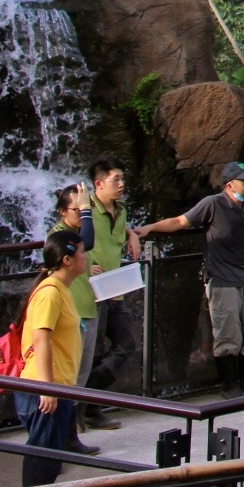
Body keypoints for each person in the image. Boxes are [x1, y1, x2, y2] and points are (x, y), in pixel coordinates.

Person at [135, 162, 244, 396]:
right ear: (229, 185)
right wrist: (149, 228)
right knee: (229, 334)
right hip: (221, 279)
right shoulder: (212, 204)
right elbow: (180, 222)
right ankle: (229, 385)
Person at [17, 228, 90, 487]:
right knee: (44, 451)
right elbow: (42, 340)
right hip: (45, 386)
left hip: (55, 384)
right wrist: (47, 389)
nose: (86, 256)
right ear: (67, 260)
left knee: (47, 448)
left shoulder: (61, 289)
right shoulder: (49, 292)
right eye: (82, 252)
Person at [81, 159, 140, 431]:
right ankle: (87, 406)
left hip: (115, 289)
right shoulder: (82, 209)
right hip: (90, 290)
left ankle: (85, 400)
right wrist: (85, 262)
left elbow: (116, 229)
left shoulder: (121, 210)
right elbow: (67, 235)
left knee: (127, 344)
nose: (121, 184)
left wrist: (132, 234)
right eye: (116, 179)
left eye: (122, 179)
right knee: (93, 350)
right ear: (99, 183)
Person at [45, 185, 101, 456]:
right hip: (71, 316)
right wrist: (89, 209)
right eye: (76, 209)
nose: (81, 214)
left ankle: (72, 432)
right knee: (68, 378)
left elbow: (86, 246)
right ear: (61, 211)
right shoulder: (59, 236)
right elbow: (87, 242)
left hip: (88, 310)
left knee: (81, 375)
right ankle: (65, 440)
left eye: (84, 209)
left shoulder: (77, 240)